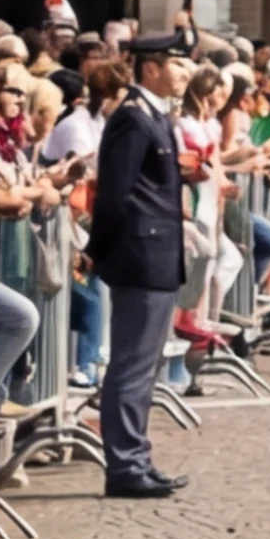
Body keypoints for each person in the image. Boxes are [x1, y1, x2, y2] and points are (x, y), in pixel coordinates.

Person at [85, 28, 192, 499]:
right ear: (153, 66)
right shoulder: (133, 118)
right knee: (131, 365)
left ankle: (137, 457)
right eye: (177, 62)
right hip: (140, 256)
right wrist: (95, 248)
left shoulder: (151, 114)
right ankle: (125, 465)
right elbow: (114, 196)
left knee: (143, 366)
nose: (185, 71)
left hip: (156, 255)